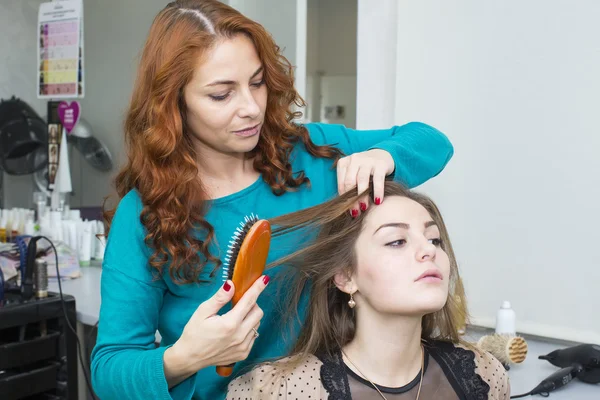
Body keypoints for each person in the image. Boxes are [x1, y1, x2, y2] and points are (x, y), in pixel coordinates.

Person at [90, 1, 454, 399]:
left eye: (257, 82)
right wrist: (185, 357)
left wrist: (386, 157)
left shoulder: (310, 153)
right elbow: (109, 370)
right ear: (174, 105)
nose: (250, 108)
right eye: (221, 95)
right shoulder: (146, 214)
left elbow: (431, 141)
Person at [227, 182, 510, 399]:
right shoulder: (277, 390)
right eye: (397, 241)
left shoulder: (484, 374)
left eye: (434, 240)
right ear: (346, 277)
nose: (428, 251)